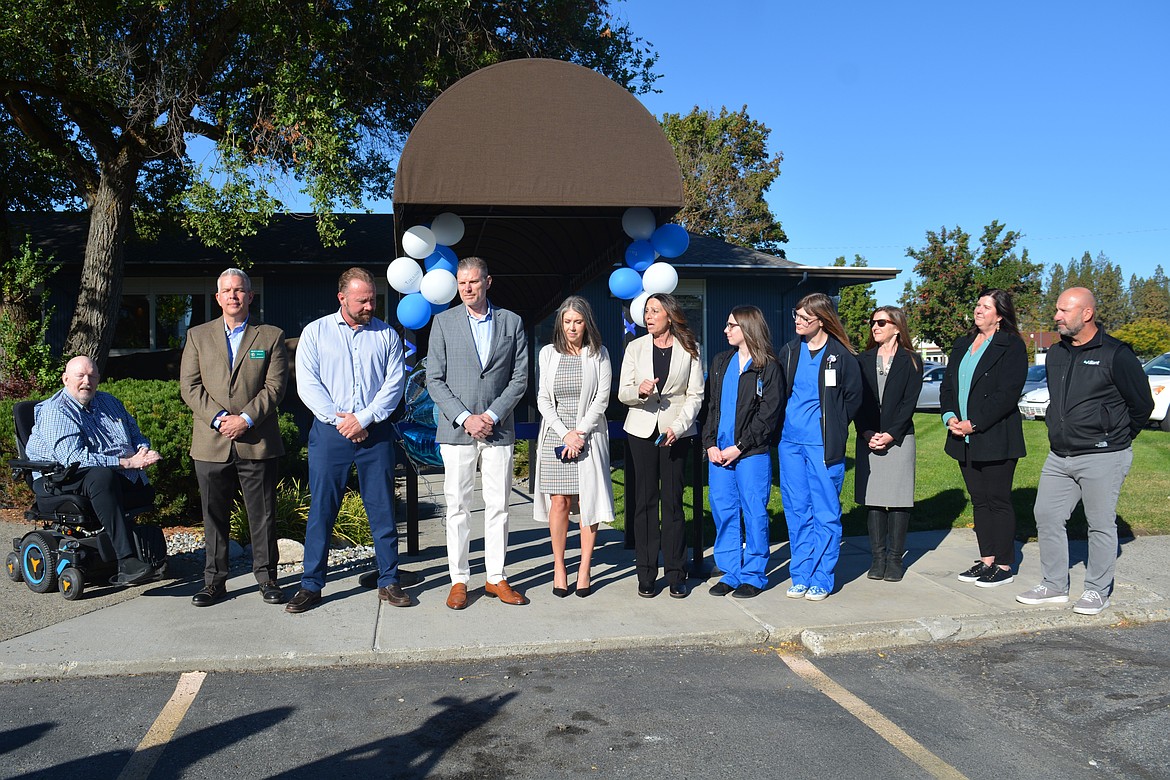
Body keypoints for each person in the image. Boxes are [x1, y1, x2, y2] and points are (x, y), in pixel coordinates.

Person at [1016, 287, 1154, 615]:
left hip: (1103, 455)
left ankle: (1097, 590)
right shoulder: (1057, 353)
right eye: (1057, 310)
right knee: (1046, 516)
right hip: (1060, 454)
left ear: (1087, 314)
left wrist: (1115, 437)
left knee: (1100, 523)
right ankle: (1053, 584)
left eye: (1064, 311)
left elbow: (1142, 404)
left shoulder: (1117, 354)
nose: (1056, 316)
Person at [287, 267, 410, 613]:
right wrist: (340, 420)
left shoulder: (386, 335)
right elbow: (307, 383)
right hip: (331, 433)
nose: (371, 305)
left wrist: (365, 418)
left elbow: (394, 384)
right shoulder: (316, 333)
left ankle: (388, 580)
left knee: (383, 508)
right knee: (322, 510)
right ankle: (311, 585)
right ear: (342, 298)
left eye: (373, 298)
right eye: (363, 300)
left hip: (375, 432)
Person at [180, 268, 289, 608]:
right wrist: (219, 419)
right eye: (227, 291)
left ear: (250, 296)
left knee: (263, 514)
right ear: (217, 298)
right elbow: (190, 386)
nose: (233, 296)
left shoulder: (270, 336)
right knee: (213, 517)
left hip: (256, 440)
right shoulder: (198, 335)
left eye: (239, 290)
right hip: (211, 444)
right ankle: (214, 583)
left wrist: (244, 419)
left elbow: (275, 387)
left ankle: (267, 579)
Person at [428, 256, 529, 610]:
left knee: (499, 505)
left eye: (473, 282)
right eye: (461, 283)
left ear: (488, 282)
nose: (467, 288)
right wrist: (464, 418)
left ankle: (496, 577)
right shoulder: (443, 322)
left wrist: (490, 415)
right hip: (457, 431)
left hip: (498, 430)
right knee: (457, 506)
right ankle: (458, 579)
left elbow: (519, 378)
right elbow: (434, 379)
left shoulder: (512, 322)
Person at [25, 356, 161, 585]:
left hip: (105, 473)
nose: (86, 381)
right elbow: (74, 459)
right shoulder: (56, 411)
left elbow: (136, 434)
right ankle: (126, 562)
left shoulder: (109, 403)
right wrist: (127, 463)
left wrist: (143, 451)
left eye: (92, 376)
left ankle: (141, 552)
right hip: (58, 476)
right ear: (66, 379)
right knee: (101, 476)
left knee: (125, 482)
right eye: (80, 376)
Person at [939, 289, 1028, 589]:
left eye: (986, 307)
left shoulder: (1011, 345)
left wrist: (973, 424)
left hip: (994, 436)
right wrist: (949, 416)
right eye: (977, 305)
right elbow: (948, 386)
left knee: (997, 500)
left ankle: (1004, 563)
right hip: (962, 437)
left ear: (1000, 314)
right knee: (979, 501)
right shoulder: (963, 344)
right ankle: (987, 559)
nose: (978, 310)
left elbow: (1007, 394)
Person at [618, 293, 704, 599]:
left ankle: (676, 573)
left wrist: (677, 428)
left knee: (673, 503)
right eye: (647, 312)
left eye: (655, 311)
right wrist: (639, 391)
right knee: (644, 502)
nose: (649, 316)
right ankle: (646, 573)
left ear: (670, 314)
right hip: (640, 431)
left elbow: (695, 395)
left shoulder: (690, 348)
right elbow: (622, 393)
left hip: (674, 432)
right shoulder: (634, 347)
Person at [777, 293, 861, 602]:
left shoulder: (841, 356)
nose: (798, 322)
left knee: (825, 513)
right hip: (790, 444)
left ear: (822, 320)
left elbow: (853, 399)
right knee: (798, 511)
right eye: (796, 316)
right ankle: (800, 575)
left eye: (804, 318)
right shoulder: (789, 352)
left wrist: (835, 426)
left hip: (823, 446)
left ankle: (822, 577)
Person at [533, 296, 614, 598]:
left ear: (586, 323)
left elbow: (602, 400)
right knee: (560, 503)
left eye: (577, 322)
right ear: (560, 324)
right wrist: (565, 434)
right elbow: (543, 398)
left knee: (587, 503)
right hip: (556, 434)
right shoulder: (548, 354)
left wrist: (579, 433)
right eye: (567, 322)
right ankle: (559, 567)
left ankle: (584, 569)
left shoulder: (599, 354)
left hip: (588, 436)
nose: (572, 327)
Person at [702, 305, 782, 599]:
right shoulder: (722, 362)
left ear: (748, 328)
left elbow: (768, 415)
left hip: (751, 453)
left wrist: (740, 447)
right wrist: (709, 443)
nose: (726, 330)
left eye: (731, 325)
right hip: (719, 452)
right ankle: (731, 571)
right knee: (724, 512)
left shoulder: (768, 367)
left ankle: (753, 574)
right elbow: (711, 407)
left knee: (754, 512)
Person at [854, 306, 923, 583]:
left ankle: (895, 560)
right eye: (873, 322)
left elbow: (910, 402)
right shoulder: (863, 360)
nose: (875, 326)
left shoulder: (912, 360)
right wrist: (867, 431)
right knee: (874, 500)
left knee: (898, 500)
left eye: (881, 322)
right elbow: (855, 400)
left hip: (900, 438)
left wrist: (892, 434)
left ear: (897, 326)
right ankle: (877, 558)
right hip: (868, 436)